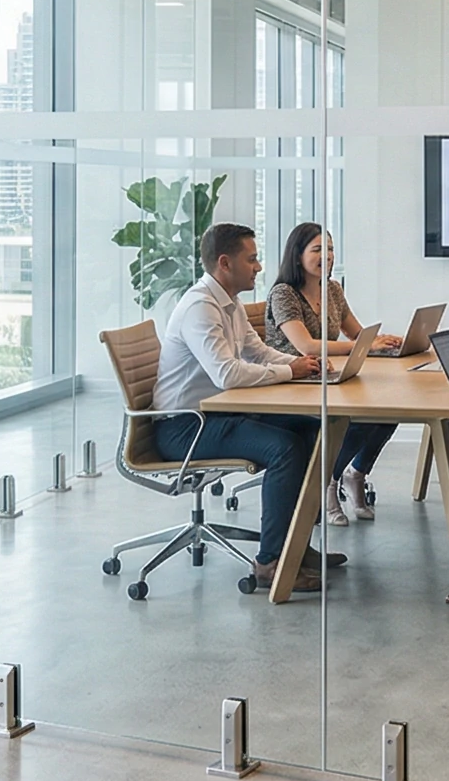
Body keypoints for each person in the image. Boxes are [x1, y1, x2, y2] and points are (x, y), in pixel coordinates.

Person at [155, 223, 335, 593]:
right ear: (225, 263)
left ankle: (295, 546)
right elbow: (227, 374)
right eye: (251, 259)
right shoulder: (200, 308)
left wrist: (302, 364)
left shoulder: (229, 301)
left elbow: (256, 351)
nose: (258, 267)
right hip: (185, 428)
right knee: (284, 448)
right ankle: (270, 563)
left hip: (219, 414)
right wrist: (289, 369)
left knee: (309, 429)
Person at [263, 222, 401, 526]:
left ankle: (355, 475)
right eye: (317, 249)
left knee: (388, 413)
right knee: (356, 420)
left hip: (325, 376)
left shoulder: (333, 289)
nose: (326, 255)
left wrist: (382, 342)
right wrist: (363, 345)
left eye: (330, 249)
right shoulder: (283, 294)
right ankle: (327, 481)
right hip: (292, 381)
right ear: (297, 255)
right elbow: (305, 345)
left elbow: (356, 333)